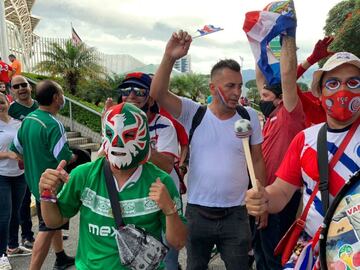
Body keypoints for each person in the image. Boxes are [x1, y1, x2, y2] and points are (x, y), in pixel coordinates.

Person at [150, 30, 266, 270]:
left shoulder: (249, 116)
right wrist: (170, 57)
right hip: (198, 213)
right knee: (195, 266)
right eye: (230, 86)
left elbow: (256, 160)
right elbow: (157, 94)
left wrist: (260, 198)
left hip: (237, 213)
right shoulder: (194, 113)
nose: (237, 92)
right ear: (213, 88)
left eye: (240, 86)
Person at [39, 102, 187, 270]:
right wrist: (46, 193)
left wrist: (170, 209)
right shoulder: (84, 175)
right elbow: (54, 221)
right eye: (110, 133)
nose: (117, 141)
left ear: (144, 136)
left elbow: (178, 242)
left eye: (129, 134)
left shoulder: (161, 182)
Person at [246, 52, 360, 269]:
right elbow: (280, 192)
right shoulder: (305, 139)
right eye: (333, 83)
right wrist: (263, 198)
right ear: (320, 92)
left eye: (353, 83)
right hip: (314, 250)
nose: (343, 91)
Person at [116, 72, 182, 270]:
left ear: (151, 98)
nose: (131, 96)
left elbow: (166, 164)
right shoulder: (116, 122)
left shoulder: (164, 125)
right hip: (129, 199)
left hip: (161, 198)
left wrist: (138, 139)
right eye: (126, 91)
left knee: (167, 257)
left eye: (140, 91)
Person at [253, 32, 306, 269]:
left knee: (276, 255)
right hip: (263, 195)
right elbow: (259, 78)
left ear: (279, 99)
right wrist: (258, 44)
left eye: (265, 96)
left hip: (282, 196)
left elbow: (286, 75)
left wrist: (287, 34)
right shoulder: (270, 119)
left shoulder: (289, 115)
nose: (259, 99)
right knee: (261, 251)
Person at [10, 80, 75, 270]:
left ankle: (61, 257)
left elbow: (16, 150)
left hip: (34, 181)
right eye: (62, 95)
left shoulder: (28, 120)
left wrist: (33, 160)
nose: (63, 98)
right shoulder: (54, 125)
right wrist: (76, 155)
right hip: (52, 186)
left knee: (52, 223)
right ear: (56, 98)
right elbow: (64, 157)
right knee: (47, 228)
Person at [0, 93, 31, 270]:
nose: (0, 105)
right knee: (3, 215)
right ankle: (1, 254)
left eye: (2, 102)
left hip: (19, 174)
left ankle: (12, 246)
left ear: (8, 102)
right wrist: (8, 154)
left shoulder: (19, 123)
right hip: (2, 175)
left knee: (15, 212)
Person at [8, 75, 38, 250]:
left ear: (30, 87)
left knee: (46, 197)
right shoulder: (11, 110)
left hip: (42, 160)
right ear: (12, 90)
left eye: (23, 85)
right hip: (23, 163)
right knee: (24, 201)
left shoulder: (39, 105)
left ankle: (48, 231)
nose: (21, 88)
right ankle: (27, 236)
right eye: (16, 86)